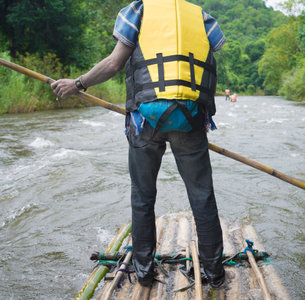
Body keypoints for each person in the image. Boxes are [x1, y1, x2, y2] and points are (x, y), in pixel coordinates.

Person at [51, 0, 227, 289]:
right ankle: (215, 274)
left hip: (146, 118)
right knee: (202, 195)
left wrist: (78, 84)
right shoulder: (203, 17)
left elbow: (114, 62)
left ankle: (144, 272)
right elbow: (210, 53)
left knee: (143, 196)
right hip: (190, 117)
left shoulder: (138, 10)